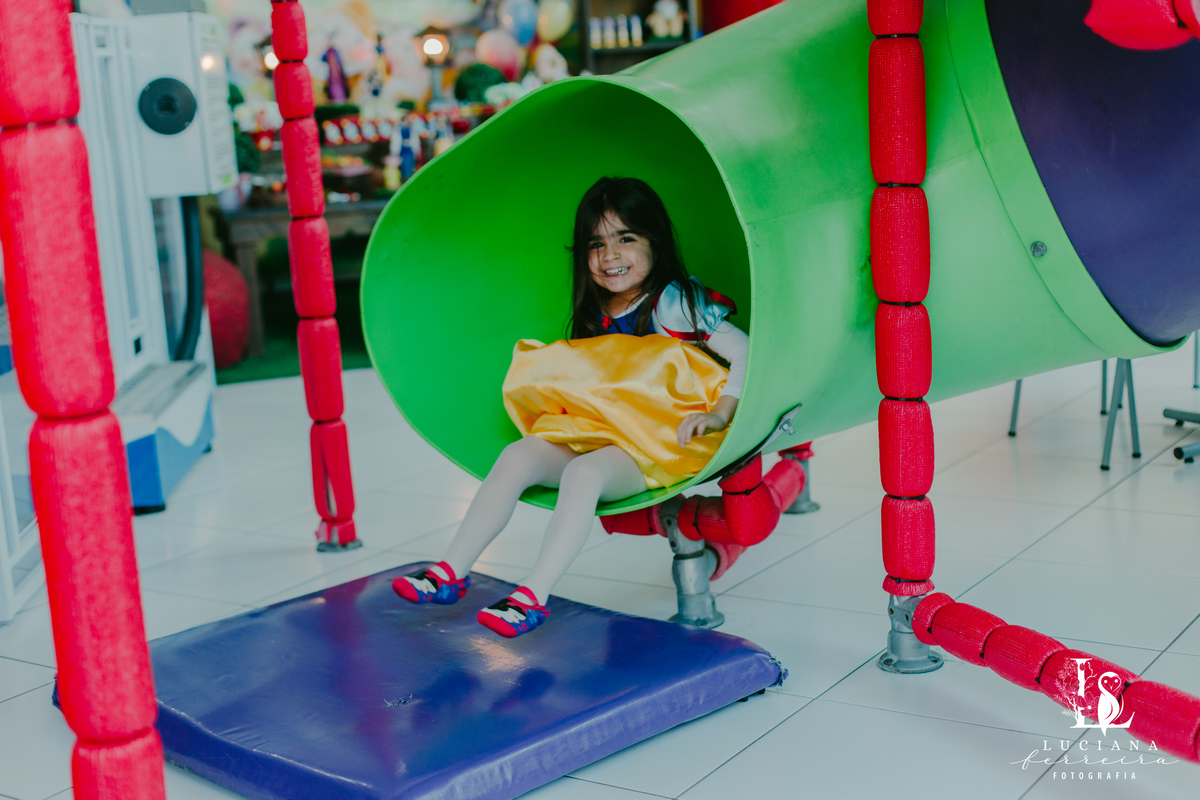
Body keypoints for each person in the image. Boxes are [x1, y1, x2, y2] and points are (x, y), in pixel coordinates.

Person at [393, 177, 750, 638]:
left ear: (655, 243)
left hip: (661, 442)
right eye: (596, 244)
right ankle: (449, 572)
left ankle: (533, 596)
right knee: (517, 455)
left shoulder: (673, 303)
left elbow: (744, 351)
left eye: (626, 239)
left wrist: (719, 413)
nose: (610, 256)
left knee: (583, 475)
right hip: (608, 434)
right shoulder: (595, 310)